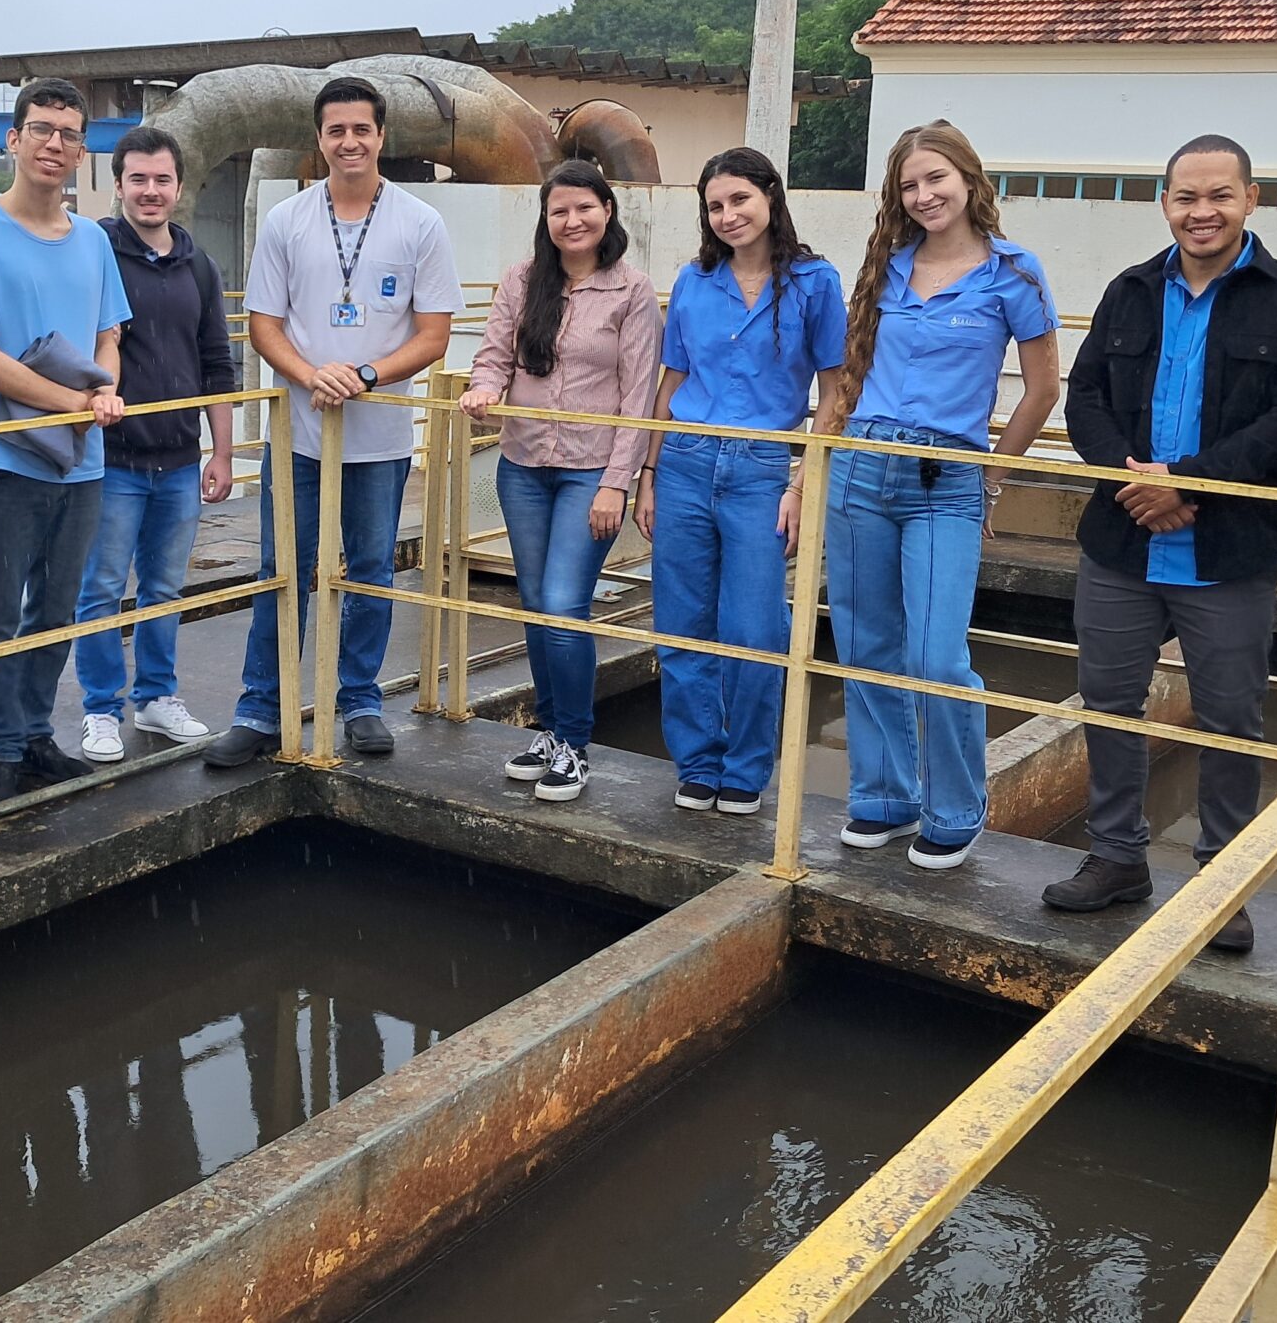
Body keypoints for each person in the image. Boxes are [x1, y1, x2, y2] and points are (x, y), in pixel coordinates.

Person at [1044, 135, 1277, 951]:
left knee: (1229, 720)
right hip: (1122, 541)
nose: (1201, 212)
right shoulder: (1130, 290)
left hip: (1229, 548)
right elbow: (1086, 394)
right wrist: (1136, 485)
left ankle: (1223, 884)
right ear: (1164, 202)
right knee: (1108, 705)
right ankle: (1116, 858)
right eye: (1185, 197)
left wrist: (1189, 483)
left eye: (1219, 196)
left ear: (1251, 197)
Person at [819, 121, 1060, 871]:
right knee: (864, 644)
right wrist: (816, 465)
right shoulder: (885, 266)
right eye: (909, 185)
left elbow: (1044, 388)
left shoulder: (1014, 273)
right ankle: (884, 795)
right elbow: (851, 375)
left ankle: (956, 805)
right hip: (862, 471)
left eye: (936, 179)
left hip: (945, 478)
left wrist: (994, 473)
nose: (924, 195)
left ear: (968, 179)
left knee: (934, 654)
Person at [204, 77, 462, 766]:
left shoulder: (419, 223)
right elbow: (263, 324)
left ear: (382, 136)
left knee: (372, 569)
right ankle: (261, 706)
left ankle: (361, 700)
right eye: (335, 130)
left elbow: (435, 332)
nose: (349, 141)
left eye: (361, 129)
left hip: (378, 440)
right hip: (299, 433)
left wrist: (367, 374)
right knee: (282, 568)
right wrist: (310, 372)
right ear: (319, 140)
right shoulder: (288, 220)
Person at [0, 77, 130, 806]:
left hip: (81, 460)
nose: (55, 143)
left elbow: (109, 335)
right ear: (12, 139)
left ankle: (36, 731)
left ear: (81, 151)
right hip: (7, 455)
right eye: (42, 129)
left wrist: (102, 395)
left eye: (69, 133)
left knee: (56, 606)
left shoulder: (93, 240)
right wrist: (81, 402)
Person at [639, 147, 846, 816]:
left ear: (770, 197)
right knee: (682, 621)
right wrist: (647, 472)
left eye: (739, 200)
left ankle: (747, 765)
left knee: (755, 627)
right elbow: (669, 382)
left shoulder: (815, 281)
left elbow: (834, 390)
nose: (728, 215)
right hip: (686, 461)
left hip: (763, 469)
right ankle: (697, 760)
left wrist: (802, 481)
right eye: (715, 206)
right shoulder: (695, 282)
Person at [460, 161, 662, 803]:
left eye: (584, 208)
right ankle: (549, 731)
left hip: (589, 474)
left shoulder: (631, 291)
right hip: (522, 466)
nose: (572, 221)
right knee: (534, 601)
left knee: (563, 603)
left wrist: (617, 484)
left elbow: (639, 397)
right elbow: (494, 354)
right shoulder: (523, 281)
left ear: (607, 210)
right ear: (545, 221)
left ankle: (575, 743)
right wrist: (484, 388)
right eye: (559, 212)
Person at [71, 125, 238, 763]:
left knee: (165, 586)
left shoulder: (199, 264)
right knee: (103, 586)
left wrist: (221, 452)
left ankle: (158, 697)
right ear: (118, 186)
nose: (150, 191)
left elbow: (215, 363)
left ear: (178, 186)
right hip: (112, 458)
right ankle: (100, 709)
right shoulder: (95, 252)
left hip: (177, 460)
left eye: (161, 179)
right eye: (137, 179)